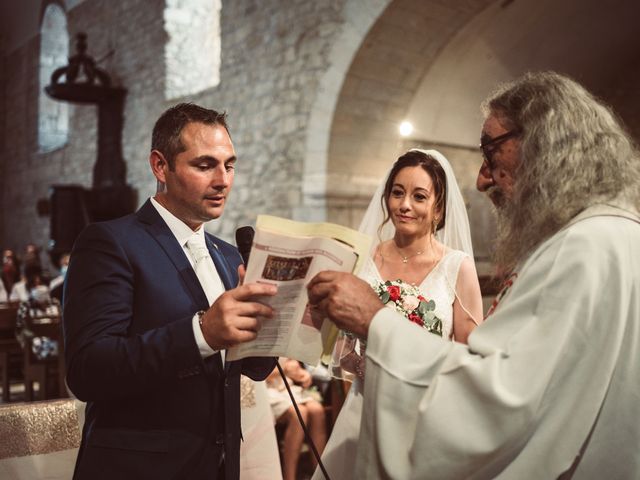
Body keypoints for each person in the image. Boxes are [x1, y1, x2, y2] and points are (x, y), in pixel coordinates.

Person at [307, 71, 640, 479]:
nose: (483, 178)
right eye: (396, 192)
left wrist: (376, 321)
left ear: (543, 142)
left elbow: (499, 401)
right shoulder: (618, 235)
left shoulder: (581, 248)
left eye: (490, 149)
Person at [63, 103, 278, 480]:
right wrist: (202, 333)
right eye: (204, 165)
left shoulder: (227, 256)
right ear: (160, 166)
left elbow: (255, 369)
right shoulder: (111, 242)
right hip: (139, 467)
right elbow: (87, 371)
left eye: (229, 165)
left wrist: (275, 322)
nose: (223, 180)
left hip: (217, 467)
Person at [312, 149, 483, 480]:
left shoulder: (457, 267)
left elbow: (468, 353)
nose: (405, 205)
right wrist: (364, 364)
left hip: (422, 413)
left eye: (419, 196)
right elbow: (341, 343)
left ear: (439, 208)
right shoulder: (362, 258)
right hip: (364, 406)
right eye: (397, 193)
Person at [267, 358, 327, 480]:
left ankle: (319, 473)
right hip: (268, 389)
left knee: (317, 410)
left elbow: (293, 364)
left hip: (287, 386)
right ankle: (289, 476)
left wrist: (303, 375)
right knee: (299, 413)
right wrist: (284, 370)